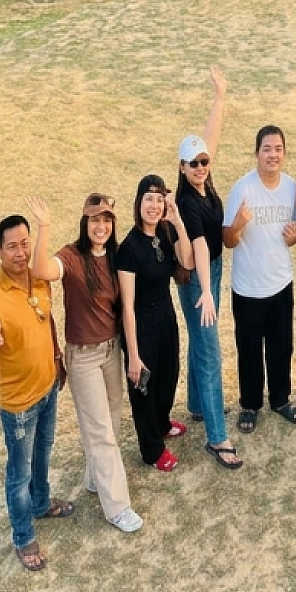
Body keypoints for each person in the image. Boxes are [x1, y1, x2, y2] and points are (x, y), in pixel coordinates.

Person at [27, 193, 143, 533]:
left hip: (111, 350)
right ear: (85, 222)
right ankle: (118, 507)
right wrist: (44, 226)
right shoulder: (72, 256)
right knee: (101, 431)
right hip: (84, 356)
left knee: (112, 420)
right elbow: (41, 270)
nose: (101, 226)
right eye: (95, 220)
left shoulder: (115, 256)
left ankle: (95, 477)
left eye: (106, 220)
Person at [0, 214, 74, 572]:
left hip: (48, 388)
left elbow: (47, 323)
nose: (20, 253)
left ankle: (42, 503)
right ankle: (23, 537)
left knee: (43, 452)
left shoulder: (39, 279)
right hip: (18, 405)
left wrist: (58, 360)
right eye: (12, 247)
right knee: (20, 473)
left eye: (25, 243)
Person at [175, 67, 242, 470]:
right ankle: (218, 437)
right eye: (193, 163)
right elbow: (199, 246)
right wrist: (205, 292)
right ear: (181, 168)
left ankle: (198, 405)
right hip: (199, 277)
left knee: (200, 342)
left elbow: (209, 140)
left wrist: (220, 97)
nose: (201, 166)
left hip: (210, 271)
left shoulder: (203, 182)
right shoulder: (187, 202)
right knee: (210, 351)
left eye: (204, 161)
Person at [223, 125, 296, 430]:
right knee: (249, 350)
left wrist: (294, 237)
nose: (273, 155)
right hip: (247, 288)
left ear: (285, 153)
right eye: (267, 149)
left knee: (282, 347)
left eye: (278, 149)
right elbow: (228, 241)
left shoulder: (292, 188)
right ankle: (250, 404)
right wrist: (238, 225)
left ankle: (281, 399)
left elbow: (294, 234)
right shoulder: (243, 189)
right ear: (256, 153)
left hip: (280, 283)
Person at [116, 175, 194, 471]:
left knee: (168, 375)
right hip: (141, 324)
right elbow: (127, 306)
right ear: (139, 202)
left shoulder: (164, 233)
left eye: (159, 200)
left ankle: (161, 424)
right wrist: (133, 355)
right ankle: (152, 450)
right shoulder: (129, 248)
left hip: (165, 317)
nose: (154, 205)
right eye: (149, 199)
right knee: (144, 388)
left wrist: (177, 221)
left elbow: (187, 262)